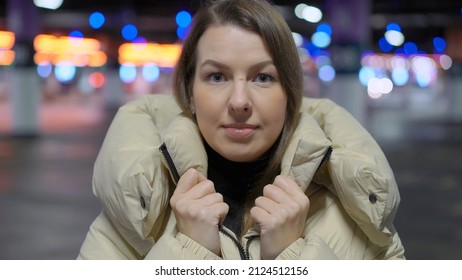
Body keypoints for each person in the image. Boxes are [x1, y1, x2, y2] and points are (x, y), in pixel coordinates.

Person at [78, 0, 405, 260]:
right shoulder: (135, 215)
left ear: (289, 94)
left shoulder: (357, 215)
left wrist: (293, 259)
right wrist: (189, 255)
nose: (239, 101)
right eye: (217, 77)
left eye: (263, 77)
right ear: (189, 93)